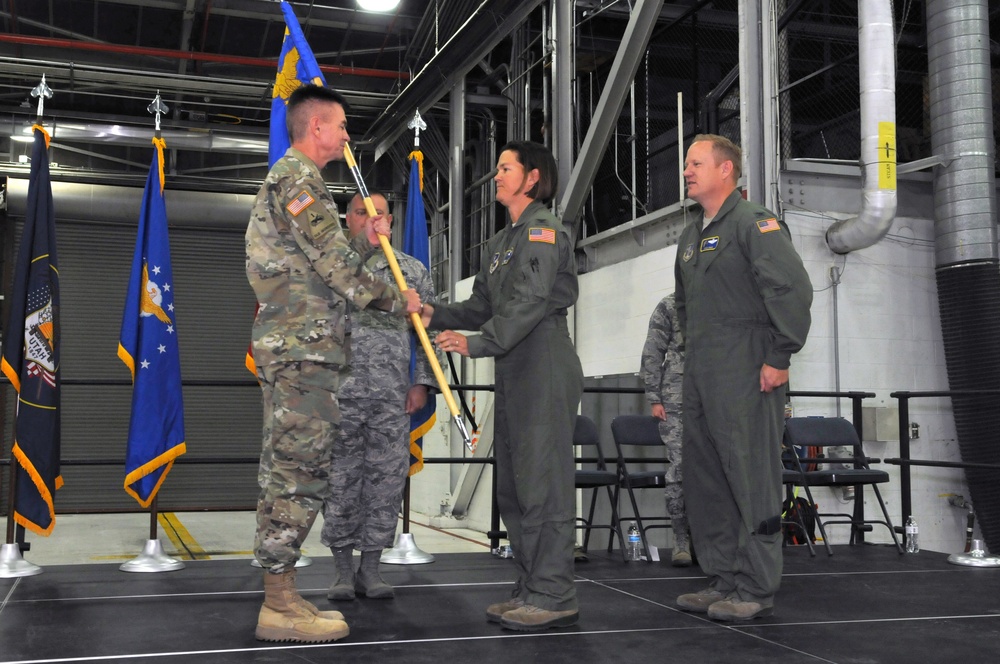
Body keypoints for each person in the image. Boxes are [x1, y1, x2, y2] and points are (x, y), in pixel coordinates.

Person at [246, 85, 420, 643]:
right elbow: (338, 264)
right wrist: (401, 299)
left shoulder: (296, 178)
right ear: (316, 127)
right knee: (297, 471)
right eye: (341, 126)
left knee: (290, 469)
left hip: (303, 347)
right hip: (303, 348)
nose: (347, 136)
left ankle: (283, 594)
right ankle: (279, 604)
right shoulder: (298, 180)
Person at [420, 140, 583, 632]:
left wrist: (478, 345)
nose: (496, 176)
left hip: (543, 359)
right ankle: (533, 584)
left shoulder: (543, 232)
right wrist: (434, 313)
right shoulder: (502, 243)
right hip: (514, 362)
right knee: (515, 485)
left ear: (532, 178)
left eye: (505, 168)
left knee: (544, 484)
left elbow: (530, 304)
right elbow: (480, 306)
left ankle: (554, 592)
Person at [673, 134, 812, 622]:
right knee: (707, 476)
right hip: (703, 369)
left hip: (749, 366)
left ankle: (754, 585)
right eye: (686, 162)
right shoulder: (692, 235)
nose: (686, 169)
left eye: (696, 162)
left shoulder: (754, 223)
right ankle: (725, 578)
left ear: (726, 169)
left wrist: (779, 353)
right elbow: (684, 306)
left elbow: (791, 288)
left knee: (750, 474)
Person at [321, 191, 438, 601]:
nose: (372, 220)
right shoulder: (334, 266)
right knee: (340, 483)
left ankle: (370, 570)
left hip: (392, 396)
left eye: (381, 214)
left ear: (391, 219)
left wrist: (421, 381)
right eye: (361, 213)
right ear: (348, 219)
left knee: (385, 484)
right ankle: (340, 570)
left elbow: (428, 333)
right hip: (339, 394)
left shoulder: (411, 270)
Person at [640, 293, 692, 567]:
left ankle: (713, 540)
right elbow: (653, 350)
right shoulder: (671, 304)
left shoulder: (722, 297)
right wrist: (655, 397)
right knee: (681, 466)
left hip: (717, 397)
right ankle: (681, 540)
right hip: (677, 396)